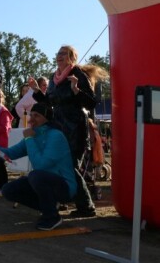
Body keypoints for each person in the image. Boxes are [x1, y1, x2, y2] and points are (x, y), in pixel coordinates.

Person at [30, 45, 102, 218]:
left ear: (71, 57)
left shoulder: (78, 75)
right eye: (58, 53)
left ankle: (86, 206)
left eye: (63, 54)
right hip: (58, 126)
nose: (59, 56)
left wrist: (76, 90)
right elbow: (49, 102)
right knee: (58, 165)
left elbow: (91, 103)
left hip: (75, 126)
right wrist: (37, 92)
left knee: (70, 166)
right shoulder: (54, 78)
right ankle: (62, 201)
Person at [0, 103, 77, 231]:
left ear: (47, 119)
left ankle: (51, 216)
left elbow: (40, 165)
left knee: (35, 175)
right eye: (31, 115)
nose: (31, 119)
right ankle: (49, 207)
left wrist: (29, 139)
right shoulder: (33, 134)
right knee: (8, 190)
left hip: (65, 186)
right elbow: (10, 154)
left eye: (36, 116)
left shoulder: (56, 136)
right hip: (44, 180)